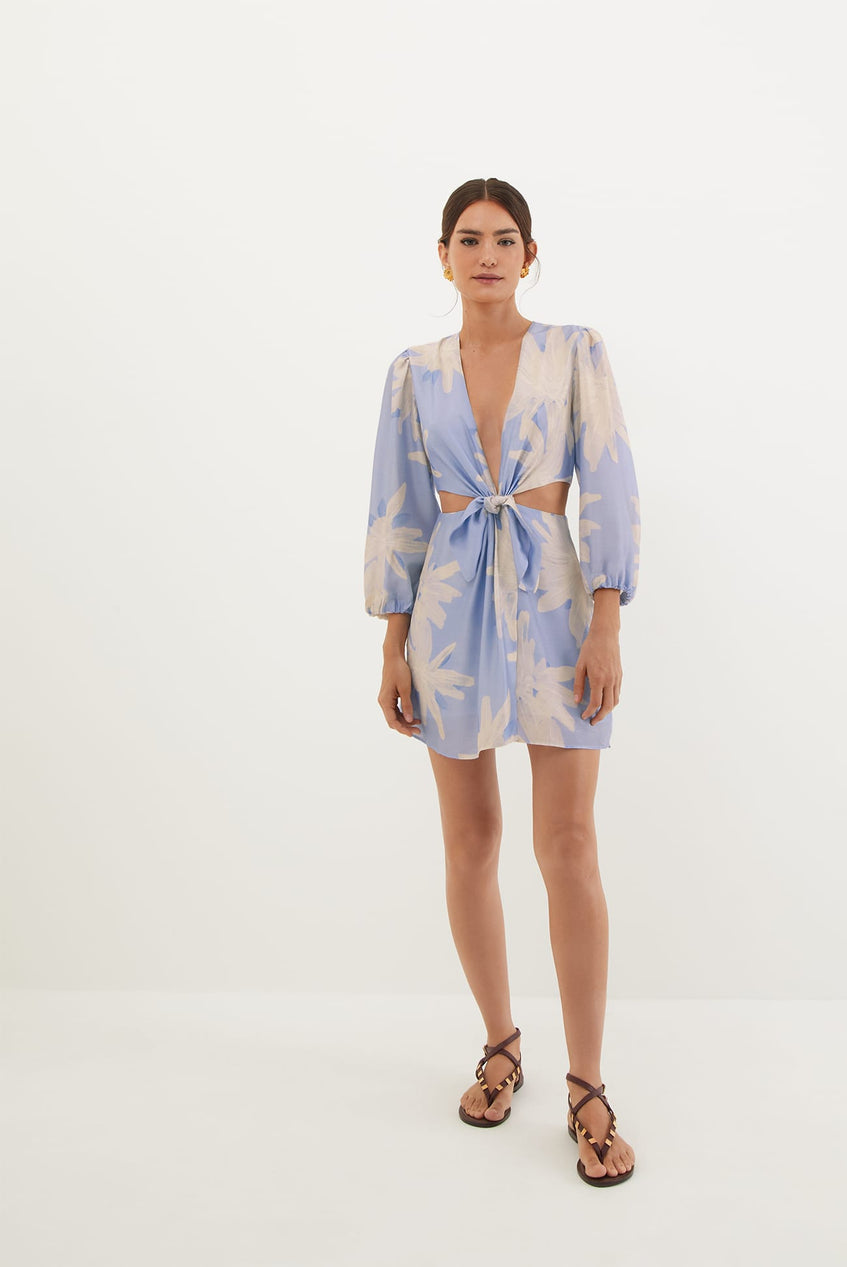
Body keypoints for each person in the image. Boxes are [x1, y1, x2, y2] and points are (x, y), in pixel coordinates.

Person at [363, 178, 640, 1186]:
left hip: (556, 607)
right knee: (470, 841)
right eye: (469, 239)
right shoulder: (413, 372)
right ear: (443, 257)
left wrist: (606, 621)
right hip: (446, 613)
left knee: (568, 844)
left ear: (530, 255)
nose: (487, 254)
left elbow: (609, 484)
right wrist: (392, 645)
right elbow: (399, 509)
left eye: (505, 238)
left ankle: (587, 1081)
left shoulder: (574, 351)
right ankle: (499, 1042)